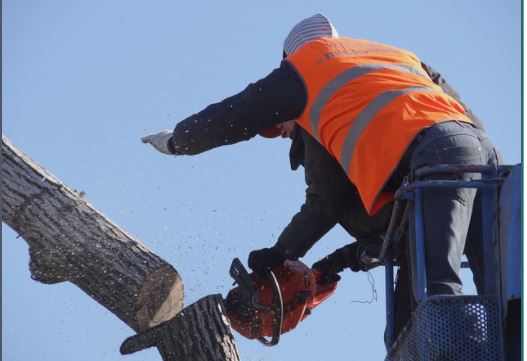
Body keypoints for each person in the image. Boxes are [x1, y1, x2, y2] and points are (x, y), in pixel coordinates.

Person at [142, 13, 499, 342]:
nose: (279, 132)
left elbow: (238, 116)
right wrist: (336, 263)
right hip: (482, 159)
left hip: (433, 158)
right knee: (480, 302)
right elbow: (390, 225)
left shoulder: (306, 70)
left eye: (278, 122)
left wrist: (178, 141)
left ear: (287, 63)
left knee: (436, 291)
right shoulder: (394, 59)